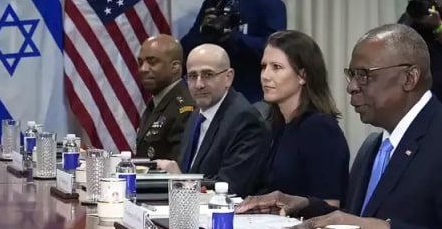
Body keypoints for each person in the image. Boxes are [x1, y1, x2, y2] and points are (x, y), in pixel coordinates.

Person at [238, 24, 442, 229]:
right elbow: (356, 221)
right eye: (351, 75)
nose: (351, 87)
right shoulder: (373, 146)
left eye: (364, 75)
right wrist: (305, 205)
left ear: (409, 78)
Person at [154, 44, 268, 196]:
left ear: (228, 77)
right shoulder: (197, 114)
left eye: (208, 75)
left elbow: (230, 189)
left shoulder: (245, 120)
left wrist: (180, 180)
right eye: (192, 76)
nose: (199, 85)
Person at [179, 0, 286, 103]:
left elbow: (275, 50)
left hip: (253, 96)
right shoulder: (210, 5)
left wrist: (234, 37)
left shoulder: (268, 3)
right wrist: (203, 33)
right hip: (212, 95)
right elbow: (184, 49)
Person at [253, 30, 349, 202]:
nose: (265, 76)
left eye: (276, 67)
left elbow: (330, 204)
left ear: (302, 76)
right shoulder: (278, 125)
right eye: (263, 66)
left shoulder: (320, 129)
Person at [133, 34, 193, 160]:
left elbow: (178, 166)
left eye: (152, 62)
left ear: (175, 67)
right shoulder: (156, 101)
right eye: (140, 62)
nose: (143, 69)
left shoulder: (185, 108)